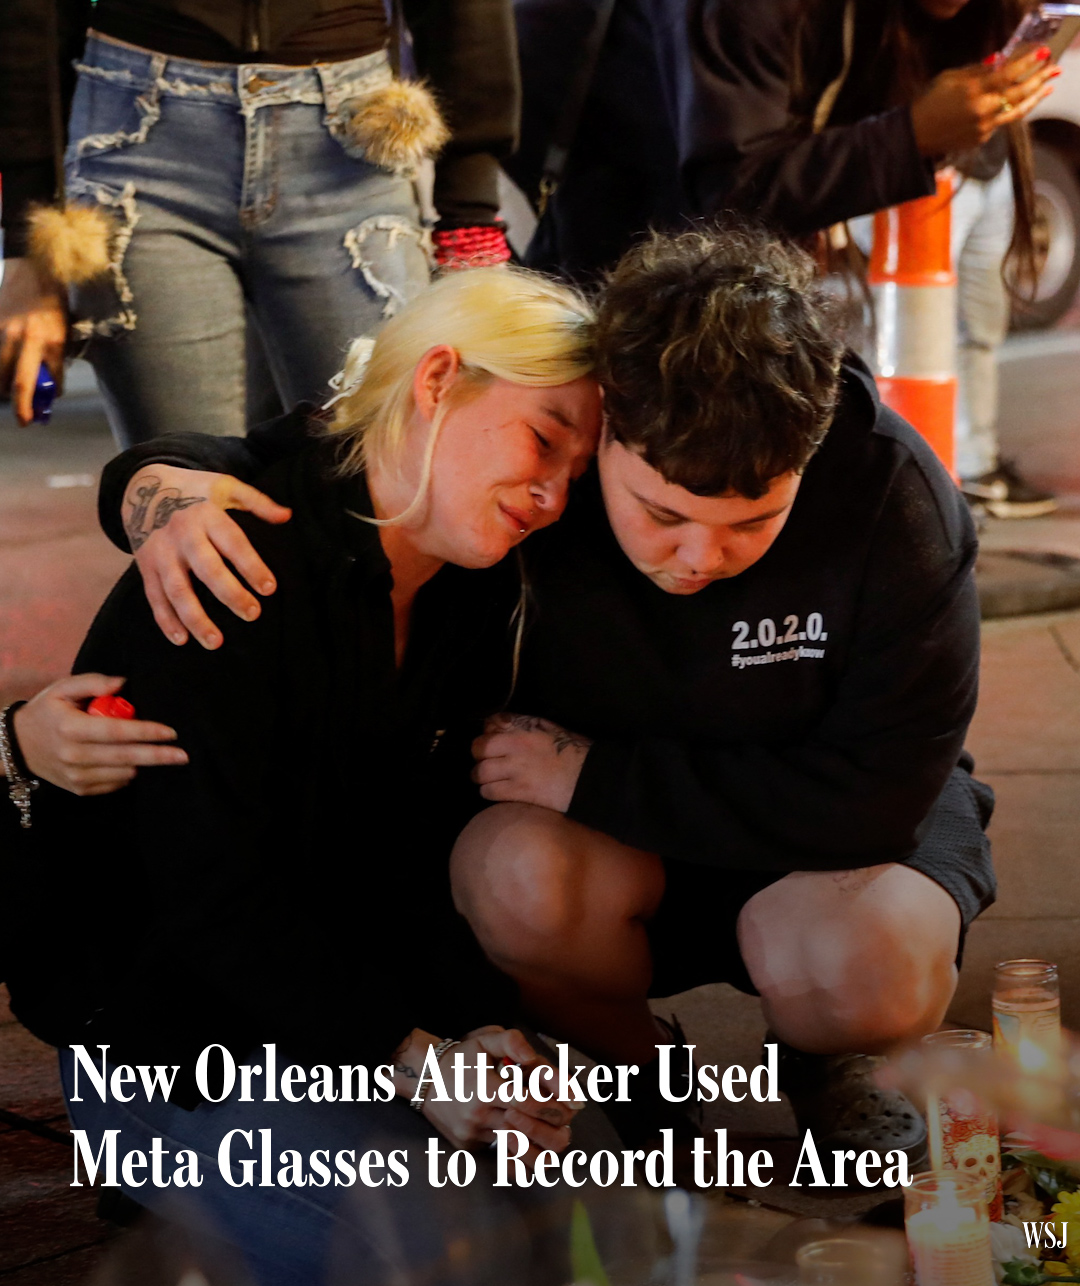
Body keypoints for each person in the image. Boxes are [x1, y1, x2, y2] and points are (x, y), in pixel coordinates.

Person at [45, 225, 995, 1164]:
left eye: (753, 524)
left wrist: (594, 779)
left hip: (820, 833)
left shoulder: (891, 493)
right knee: (505, 883)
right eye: (661, 513)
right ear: (611, 420)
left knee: (863, 963)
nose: (700, 559)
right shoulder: (553, 458)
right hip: (601, 838)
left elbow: (878, 800)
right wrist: (158, 484)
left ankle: (832, 1061)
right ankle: (639, 1075)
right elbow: (323, 454)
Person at [0, 265, 604, 1286]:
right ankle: (164, 1177)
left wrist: (483, 1031)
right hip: (163, 1038)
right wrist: (420, 1059)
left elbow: (418, 854)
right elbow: (206, 903)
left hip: (335, 1019)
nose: (554, 493)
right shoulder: (236, 558)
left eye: (579, 466)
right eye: (542, 439)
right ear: (437, 380)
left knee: (603, 1208)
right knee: (456, 1283)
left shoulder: (471, 582)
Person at [509, 0, 1057, 516]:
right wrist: (908, 136)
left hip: (703, 281)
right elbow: (729, 196)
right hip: (630, 266)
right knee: (645, 496)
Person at [0, 0, 519, 440]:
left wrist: (468, 216)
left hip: (351, 140)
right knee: (186, 491)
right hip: (139, 144)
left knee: (384, 479)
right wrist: (26, 248)